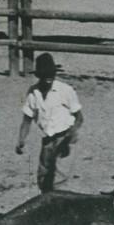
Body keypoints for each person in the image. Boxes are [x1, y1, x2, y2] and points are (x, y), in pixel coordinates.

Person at [15, 53, 84, 193]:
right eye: (44, 75)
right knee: (43, 177)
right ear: (38, 75)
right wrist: (21, 139)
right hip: (48, 140)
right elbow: (27, 118)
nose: (48, 78)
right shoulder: (32, 92)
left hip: (66, 138)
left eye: (51, 74)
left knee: (59, 179)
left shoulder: (65, 90)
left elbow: (79, 117)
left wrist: (72, 132)